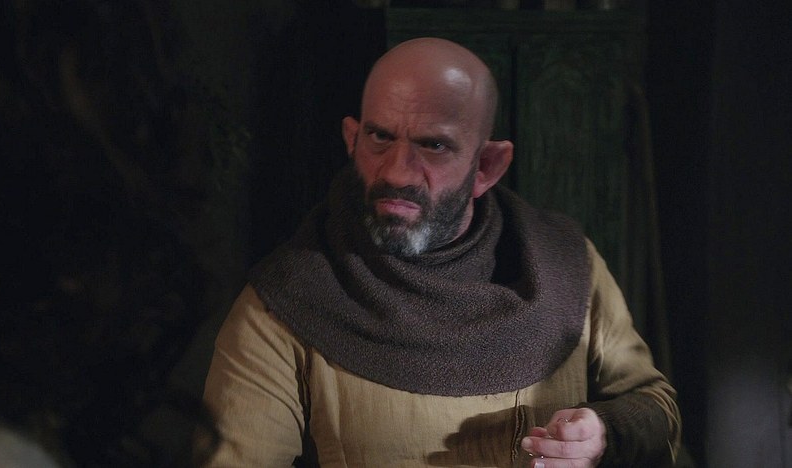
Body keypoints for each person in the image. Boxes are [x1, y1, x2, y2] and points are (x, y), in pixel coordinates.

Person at [202, 37, 681, 467]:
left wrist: (602, 435)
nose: (398, 172)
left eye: (434, 145)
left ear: (487, 166)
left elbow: (656, 408)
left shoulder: (566, 266)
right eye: (380, 136)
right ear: (352, 138)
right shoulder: (286, 300)